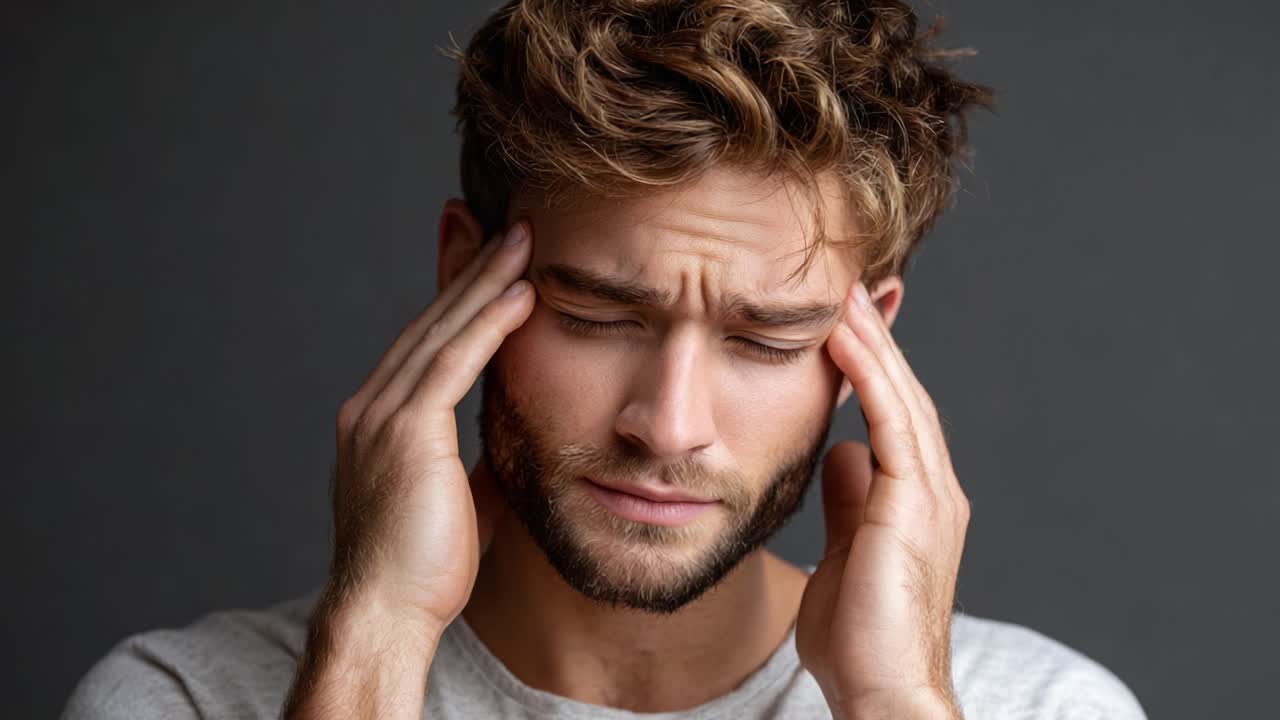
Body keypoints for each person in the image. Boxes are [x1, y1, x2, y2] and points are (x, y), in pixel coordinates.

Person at [62, 1, 1148, 718]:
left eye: (763, 338)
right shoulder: (187, 701)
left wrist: (893, 703)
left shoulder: (1041, 708)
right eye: (594, 314)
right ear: (462, 278)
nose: (667, 425)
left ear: (867, 339)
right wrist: (373, 644)